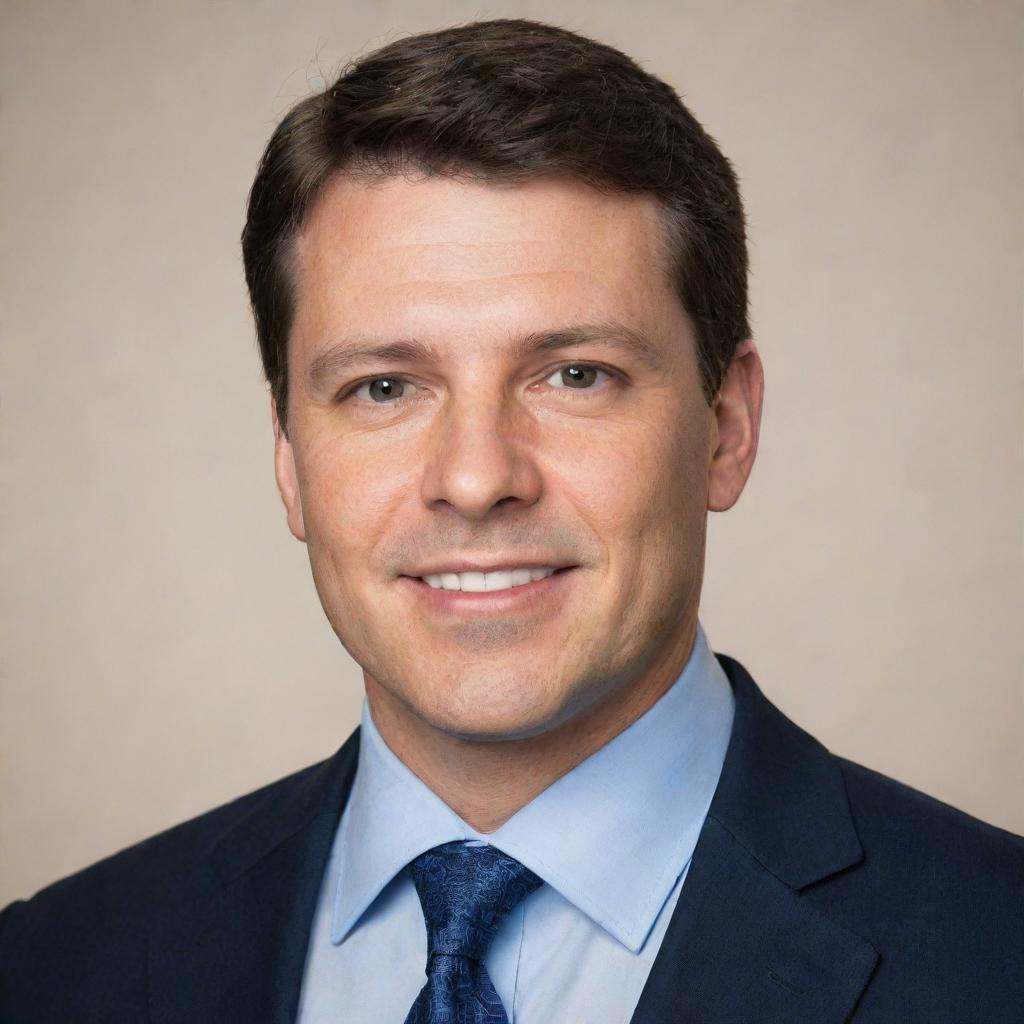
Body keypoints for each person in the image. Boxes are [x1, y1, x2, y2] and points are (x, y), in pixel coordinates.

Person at [1, 18, 1020, 1023]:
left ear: (726, 425)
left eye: (577, 374)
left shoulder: (994, 950)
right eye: (385, 386)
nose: (477, 476)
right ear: (289, 457)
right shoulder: (53, 967)